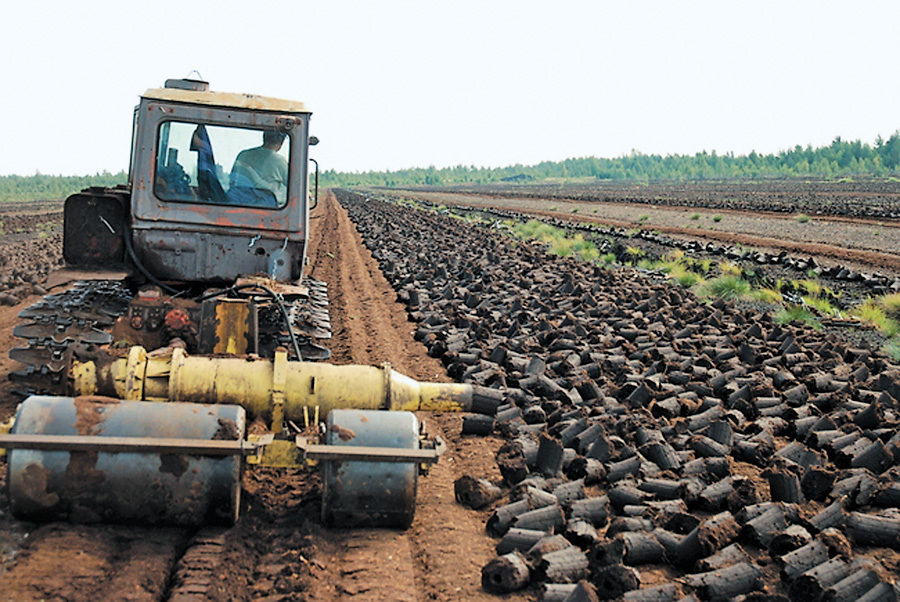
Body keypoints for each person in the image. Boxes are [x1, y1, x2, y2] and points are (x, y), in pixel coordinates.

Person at [228, 130, 288, 206]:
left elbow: (232, 180)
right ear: (281, 142)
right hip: (268, 209)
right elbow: (294, 186)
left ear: (264, 137)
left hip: (237, 205)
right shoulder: (280, 161)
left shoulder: (243, 155)